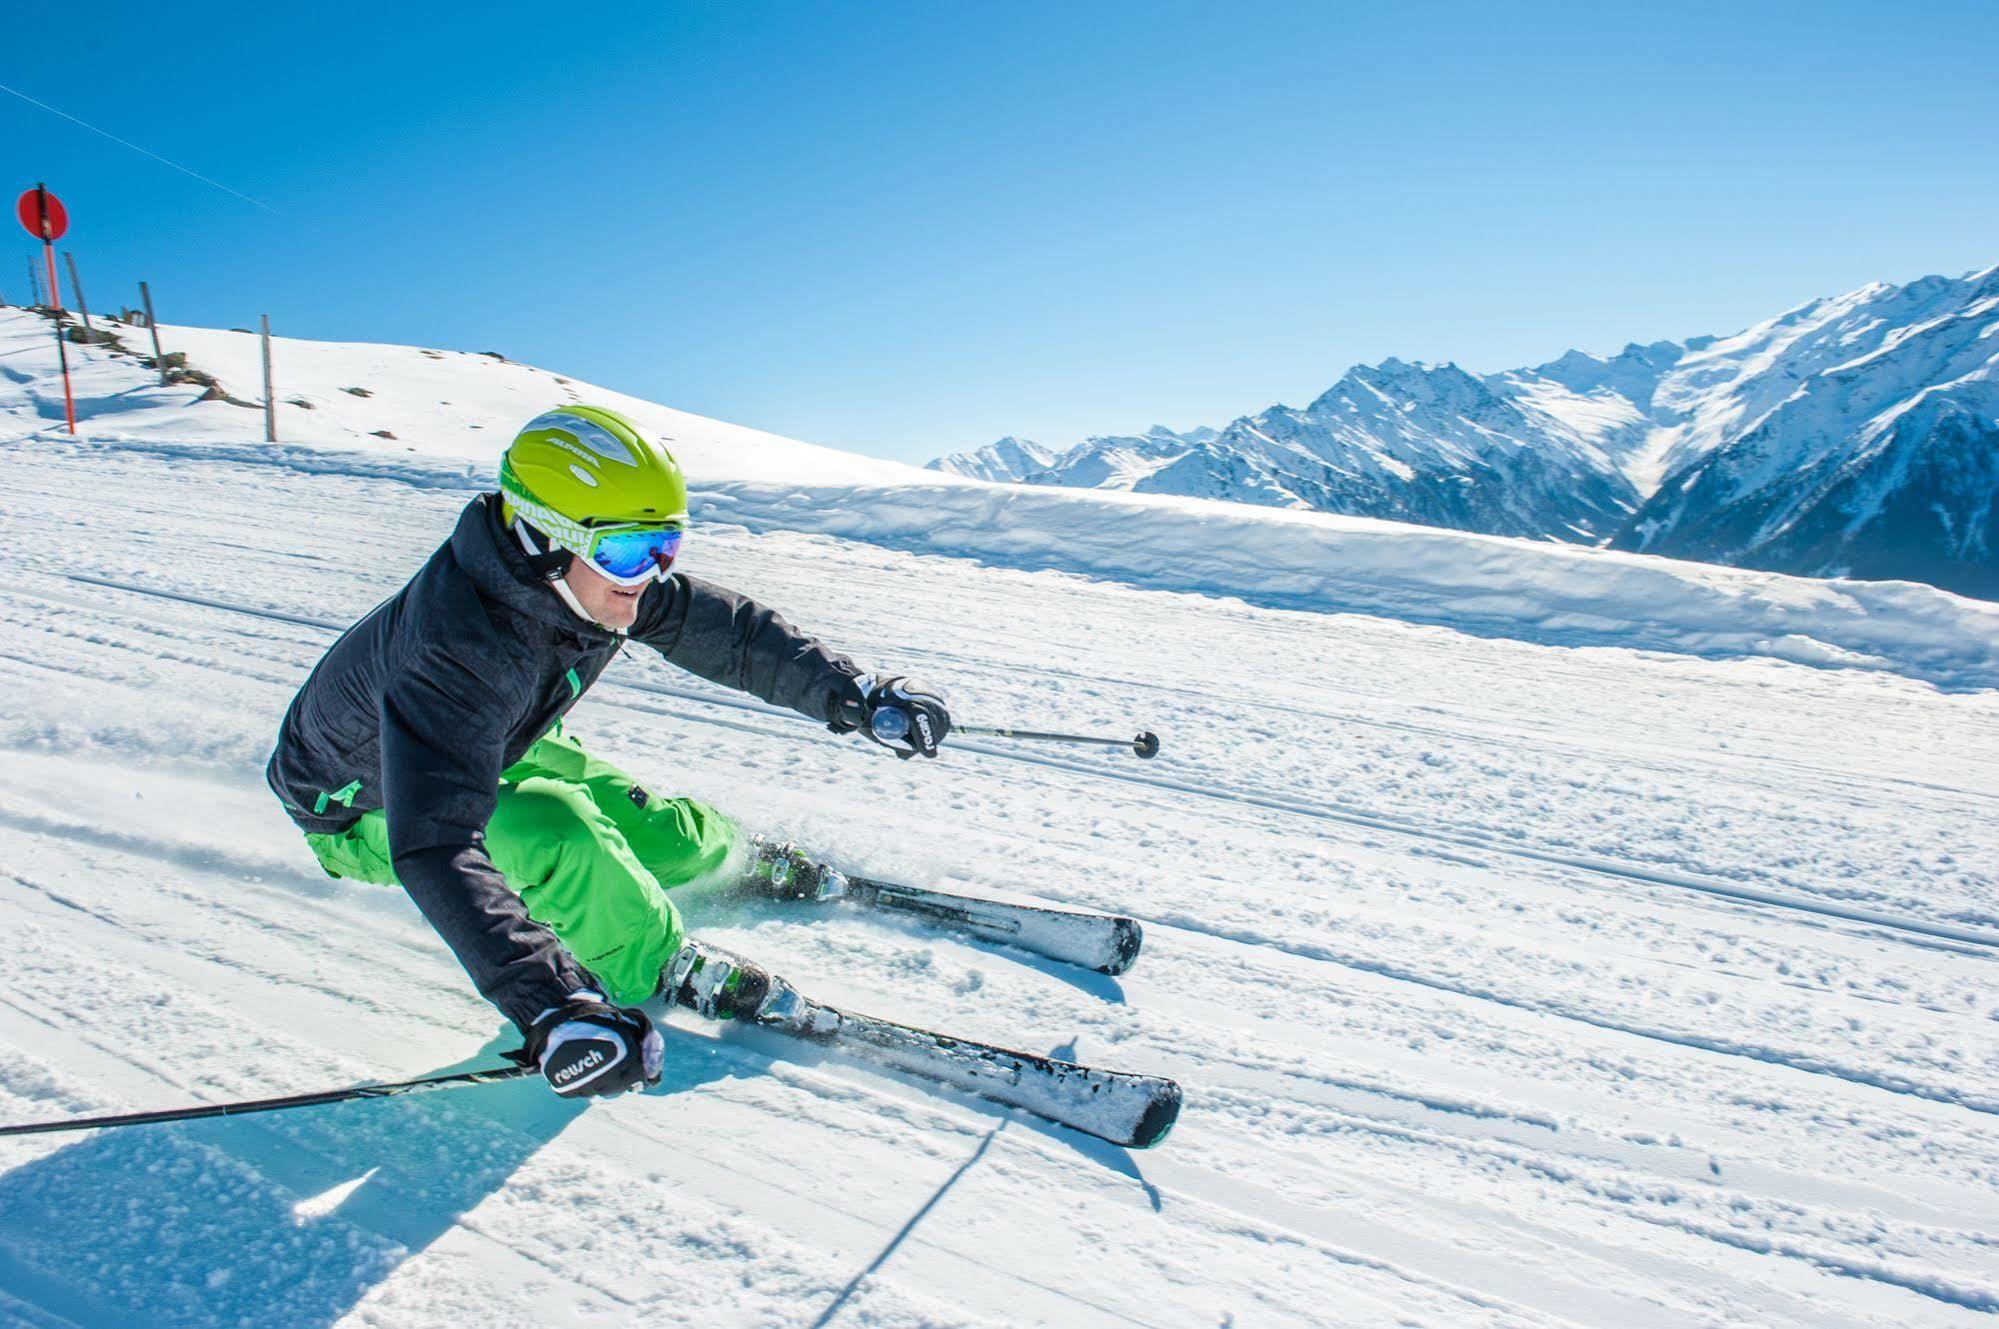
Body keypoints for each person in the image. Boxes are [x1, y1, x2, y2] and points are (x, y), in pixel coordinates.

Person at [266, 406, 951, 1099]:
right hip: (368, 800)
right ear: (540, 538)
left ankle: (727, 857)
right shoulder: (455, 652)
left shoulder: (579, 583)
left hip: (494, 738)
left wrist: (854, 693)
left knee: (653, 828)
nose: (649, 573)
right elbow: (435, 844)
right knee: (558, 831)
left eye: (665, 546)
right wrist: (551, 1004)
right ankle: (656, 967)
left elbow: (728, 634)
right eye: (627, 551)